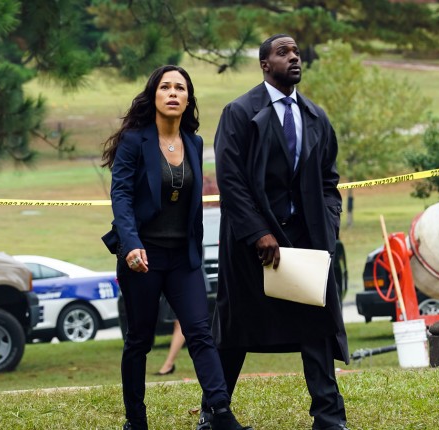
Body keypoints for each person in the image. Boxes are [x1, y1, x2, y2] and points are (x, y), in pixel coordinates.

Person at [205, 34, 351, 430]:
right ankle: (214, 413)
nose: (294, 58)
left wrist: (329, 224)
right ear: (265, 64)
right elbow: (230, 180)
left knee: (316, 326)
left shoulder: (315, 116)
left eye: (296, 52)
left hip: (306, 242)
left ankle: (329, 417)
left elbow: (329, 180)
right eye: (283, 53)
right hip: (250, 244)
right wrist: (257, 232)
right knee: (235, 329)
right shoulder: (239, 112)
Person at [101, 65, 252, 430]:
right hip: (143, 257)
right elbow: (121, 195)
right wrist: (130, 245)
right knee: (139, 340)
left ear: (188, 99)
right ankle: (136, 420)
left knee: (200, 333)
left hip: (183, 257)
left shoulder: (194, 143)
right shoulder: (135, 141)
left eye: (180, 88)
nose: (172, 93)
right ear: (153, 95)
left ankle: (220, 414)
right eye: (165, 87)